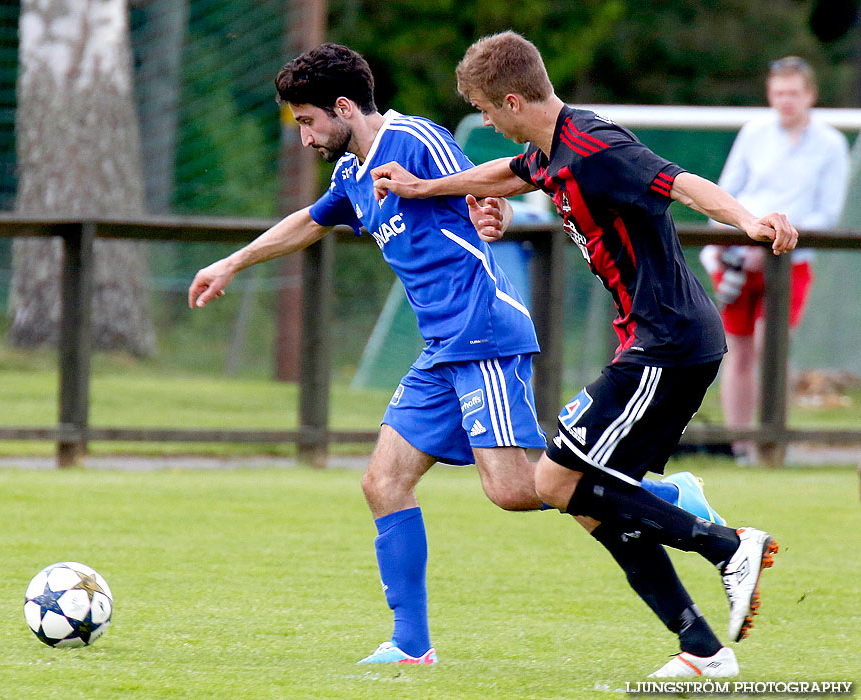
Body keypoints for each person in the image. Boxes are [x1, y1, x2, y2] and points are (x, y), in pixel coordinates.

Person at [188, 42, 723, 669]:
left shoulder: (415, 140)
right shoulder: (351, 177)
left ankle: (671, 497)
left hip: (483, 333)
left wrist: (492, 211)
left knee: (521, 490)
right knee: (383, 483)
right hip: (442, 346)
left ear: (342, 107)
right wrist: (232, 261)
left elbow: (492, 181)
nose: (304, 137)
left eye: (307, 122)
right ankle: (411, 645)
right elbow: (309, 221)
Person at [372, 31, 797, 677]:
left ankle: (724, 544)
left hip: (670, 341)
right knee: (588, 500)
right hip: (652, 341)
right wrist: (425, 189)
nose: (485, 121)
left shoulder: (596, 147)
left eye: (487, 110)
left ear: (513, 101)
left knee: (552, 480)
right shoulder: (546, 152)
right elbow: (502, 176)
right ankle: (703, 652)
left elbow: (683, 184)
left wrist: (749, 220)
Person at [700, 56, 850, 463]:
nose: (786, 101)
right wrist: (741, 239)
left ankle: (773, 442)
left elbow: (826, 213)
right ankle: (739, 445)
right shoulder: (754, 134)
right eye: (779, 93)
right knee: (738, 349)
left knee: (772, 346)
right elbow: (728, 191)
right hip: (739, 253)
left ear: (810, 96)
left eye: (793, 93)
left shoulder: (831, 144)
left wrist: (779, 239)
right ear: (770, 94)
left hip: (790, 260)